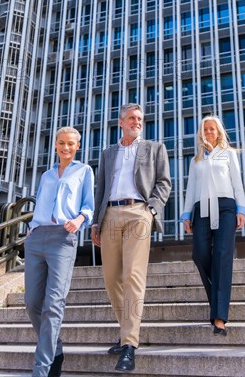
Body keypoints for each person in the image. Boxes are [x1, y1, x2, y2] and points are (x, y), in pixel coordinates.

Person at [90, 103, 171, 372]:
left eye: (140, 119)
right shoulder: (107, 153)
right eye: (132, 118)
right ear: (121, 122)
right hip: (110, 215)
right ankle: (126, 330)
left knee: (133, 276)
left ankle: (129, 344)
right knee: (112, 278)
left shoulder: (154, 148)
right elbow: (100, 188)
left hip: (138, 213)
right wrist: (95, 222)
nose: (137, 122)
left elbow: (164, 182)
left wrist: (151, 209)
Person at [24, 127, 94, 377]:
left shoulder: (84, 171)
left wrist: (79, 220)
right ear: (55, 145)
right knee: (32, 303)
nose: (66, 148)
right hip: (37, 237)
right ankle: (56, 348)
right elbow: (41, 202)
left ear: (78, 146)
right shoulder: (46, 175)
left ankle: (42, 370)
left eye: (71, 144)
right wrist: (31, 229)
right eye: (62, 143)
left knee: (53, 304)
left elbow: (89, 206)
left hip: (63, 238)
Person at [180, 116, 245, 336]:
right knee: (200, 255)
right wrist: (186, 214)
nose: (209, 132)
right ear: (201, 133)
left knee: (222, 255)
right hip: (201, 208)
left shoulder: (228, 154)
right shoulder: (196, 160)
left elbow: (237, 182)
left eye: (212, 129)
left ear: (218, 132)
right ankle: (218, 297)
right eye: (205, 129)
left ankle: (219, 317)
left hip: (226, 206)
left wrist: (242, 209)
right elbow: (191, 188)